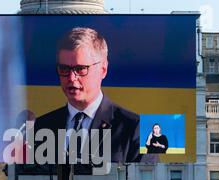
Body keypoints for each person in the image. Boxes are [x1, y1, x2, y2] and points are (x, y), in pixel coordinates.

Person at [33, 27, 142, 164]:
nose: (72, 78)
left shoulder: (135, 128)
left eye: (80, 69)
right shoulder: (39, 128)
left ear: (103, 69)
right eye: (64, 69)